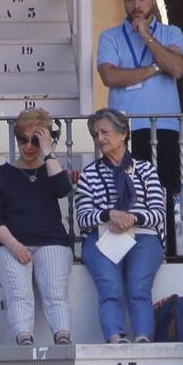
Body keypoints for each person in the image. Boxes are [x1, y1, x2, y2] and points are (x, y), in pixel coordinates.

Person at [96, 0, 183, 246]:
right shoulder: (110, 36)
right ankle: (127, 247)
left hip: (165, 128)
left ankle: (169, 249)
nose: (137, 5)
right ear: (123, 0)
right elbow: (110, 76)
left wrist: (147, 37)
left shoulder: (171, 32)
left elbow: (177, 68)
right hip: (124, 132)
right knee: (124, 192)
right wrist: (154, 68)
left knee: (165, 191)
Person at [0, 108, 73, 346]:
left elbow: (62, 189)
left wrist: (49, 153)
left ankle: (62, 336)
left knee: (55, 290)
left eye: (35, 139)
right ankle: (24, 338)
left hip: (51, 239)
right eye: (23, 139)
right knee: (19, 291)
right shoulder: (0, 174)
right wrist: (14, 245)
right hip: (8, 241)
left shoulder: (49, 170)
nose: (28, 145)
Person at [75, 107, 166, 343]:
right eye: (96, 135)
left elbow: (158, 213)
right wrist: (109, 214)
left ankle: (144, 338)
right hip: (102, 237)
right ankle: (115, 337)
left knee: (138, 289)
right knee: (110, 289)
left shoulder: (145, 169)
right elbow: (83, 217)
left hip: (143, 235)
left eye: (105, 132)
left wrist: (132, 218)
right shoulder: (89, 174)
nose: (100, 139)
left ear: (123, 133)